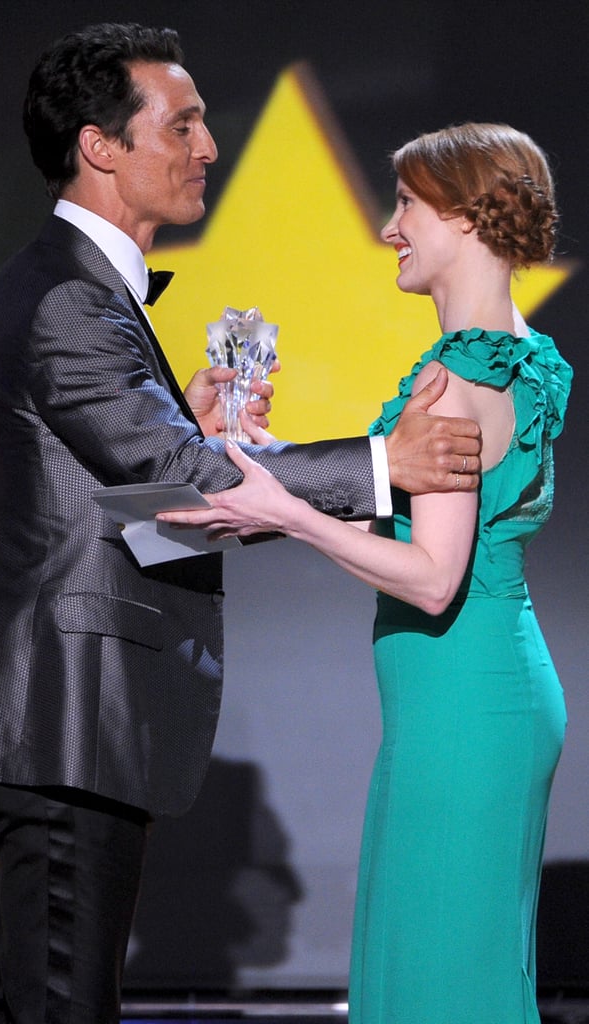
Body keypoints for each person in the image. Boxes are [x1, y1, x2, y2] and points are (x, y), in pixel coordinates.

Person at [0, 22, 482, 1024]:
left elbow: (131, 499)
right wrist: (387, 465)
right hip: (56, 719)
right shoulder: (65, 302)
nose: (207, 146)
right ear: (100, 147)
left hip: (49, 721)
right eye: (183, 125)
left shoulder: (72, 291)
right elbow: (179, 483)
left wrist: (197, 433)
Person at [159, 122, 573, 1023]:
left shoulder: (457, 376)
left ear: (466, 219)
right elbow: (424, 502)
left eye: (408, 206)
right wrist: (271, 462)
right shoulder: (524, 353)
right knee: (462, 970)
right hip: (483, 698)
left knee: (438, 987)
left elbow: (431, 576)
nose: (391, 228)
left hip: (462, 711)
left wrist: (289, 511)